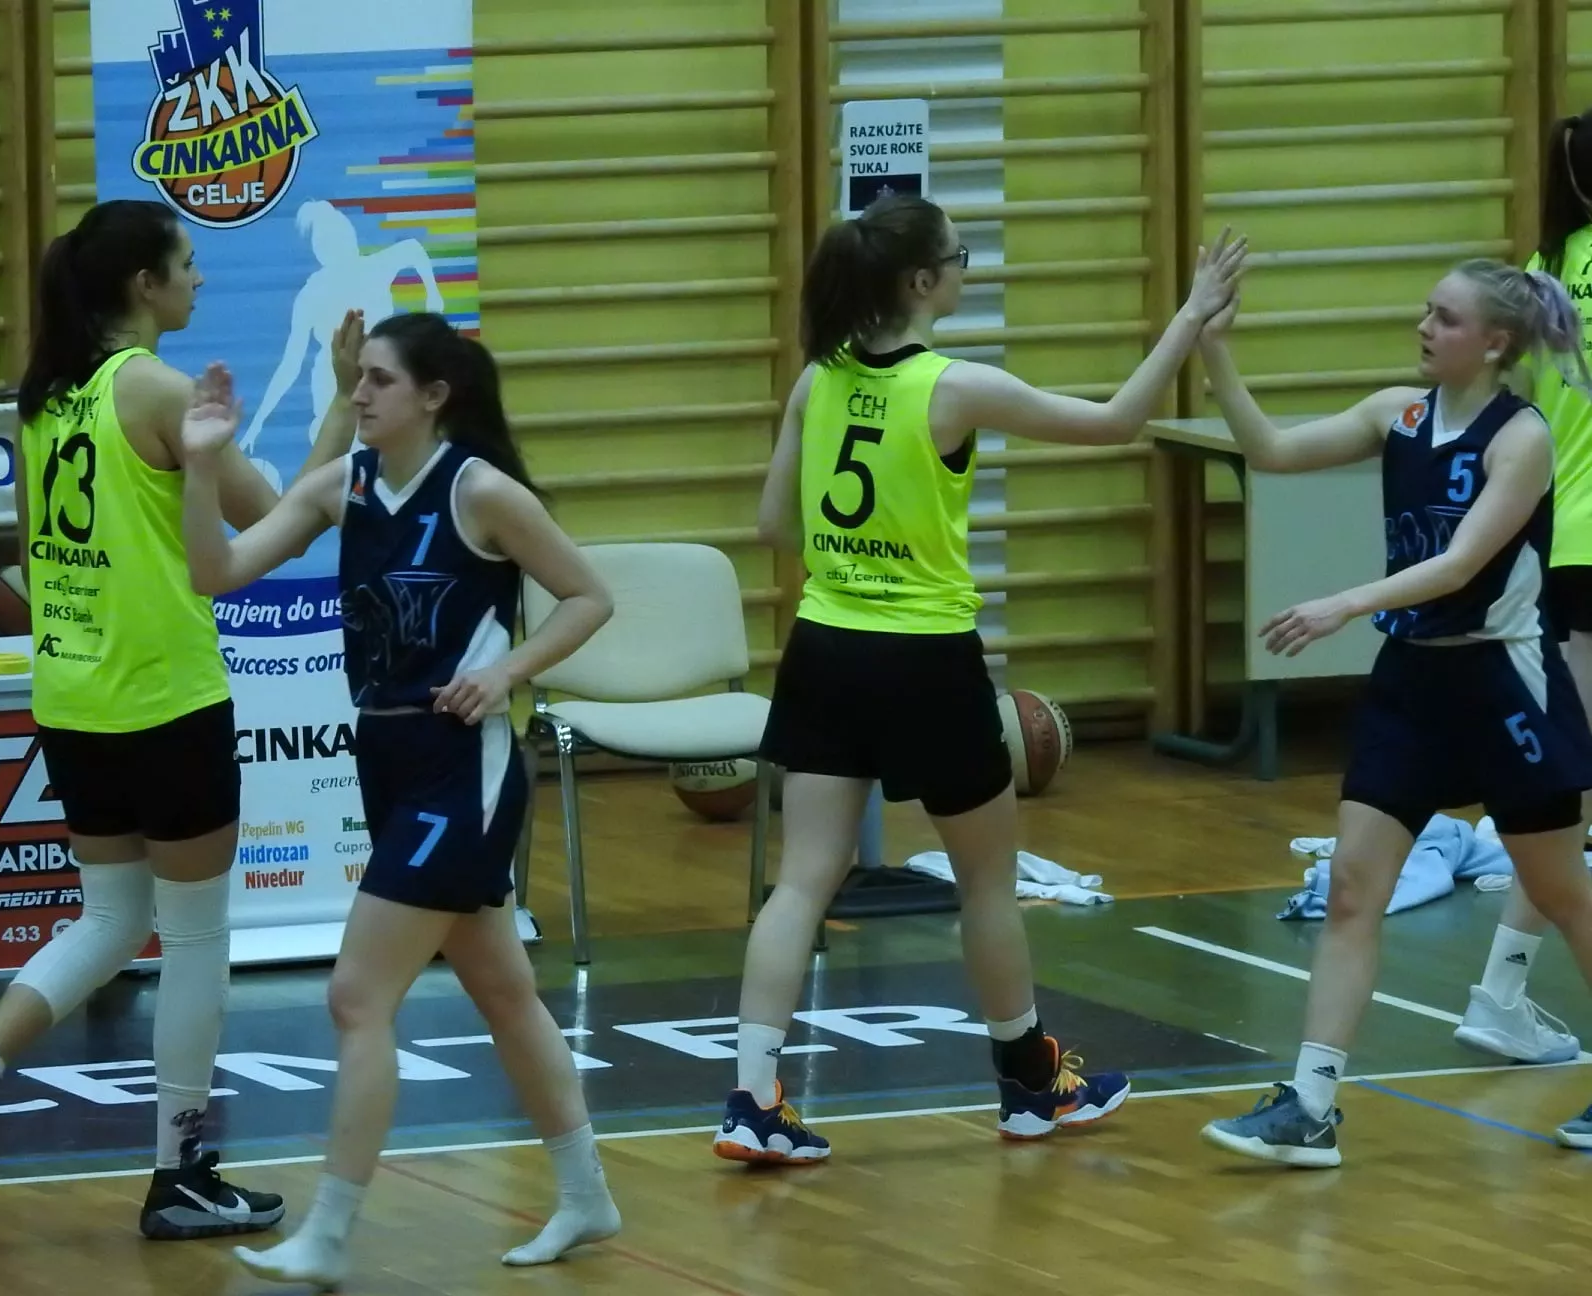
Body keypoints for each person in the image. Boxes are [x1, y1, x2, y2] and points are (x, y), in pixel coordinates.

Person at [712, 193, 1248, 1164]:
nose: (967, 268)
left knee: (800, 884)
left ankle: (752, 1100)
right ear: (923, 281)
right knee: (988, 884)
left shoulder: (819, 378)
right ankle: (1030, 1087)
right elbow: (1118, 420)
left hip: (825, 648)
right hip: (925, 657)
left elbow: (772, 525)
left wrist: (854, 562)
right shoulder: (954, 386)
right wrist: (1191, 313)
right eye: (959, 257)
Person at [0, 199, 354, 1239]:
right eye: (187, 263)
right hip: (163, 698)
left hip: (72, 698)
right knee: (195, 940)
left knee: (109, 921)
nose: (200, 278)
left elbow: (34, 551)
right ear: (143, 284)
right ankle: (180, 1172)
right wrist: (337, 407)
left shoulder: (47, 397)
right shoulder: (155, 388)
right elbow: (274, 521)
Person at [176, 311, 620, 1288]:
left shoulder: (480, 490)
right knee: (503, 991)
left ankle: (330, 1233)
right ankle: (587, 1193)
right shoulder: (343, 484)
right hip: (384, 755)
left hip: (465, 765)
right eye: (358, 377)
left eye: (378, 379)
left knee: (355, 996)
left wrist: (507, 671)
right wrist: (203, 466)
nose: (360, 392)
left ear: (433, 396)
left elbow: (590, 596)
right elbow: (217, 572)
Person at [1198, 258, 1592, 1168]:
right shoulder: (1397, 414)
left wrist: (1342, 603)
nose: (1424, 326)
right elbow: (1270, 450)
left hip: (1504, 685)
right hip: (1412, 685)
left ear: (1493, 342)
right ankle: (1310, 1104)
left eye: (1445, 318)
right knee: (1351, 889)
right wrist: (1215, 348)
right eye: (1427, 311)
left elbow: (1458, 566)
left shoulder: (1520, 438)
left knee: (1563, 895)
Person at [1450, 109, 1592, 1073]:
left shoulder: (1542, 270)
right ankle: (1500, 994)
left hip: (1558, 540)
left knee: (1572, 787)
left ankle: (1502, 992)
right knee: (1567, 792)